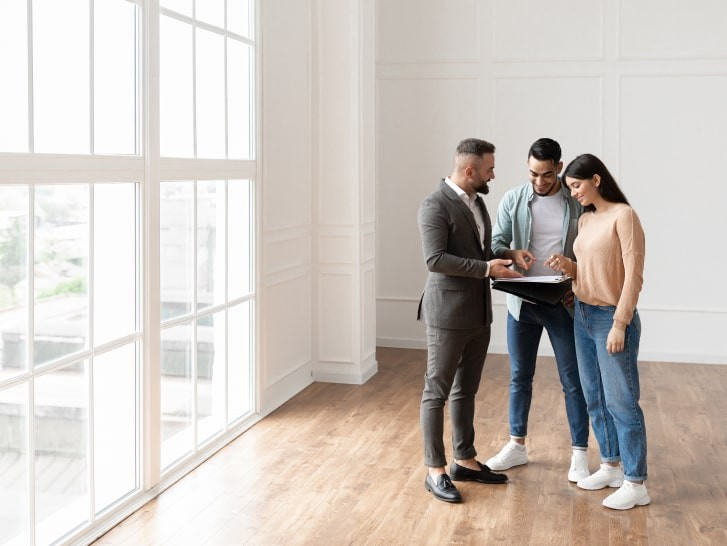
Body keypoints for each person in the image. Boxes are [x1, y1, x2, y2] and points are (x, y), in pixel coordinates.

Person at [417, 138, 521, 503]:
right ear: (470, 170)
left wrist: (506, 255)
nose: (494, 174)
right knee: (437, 391)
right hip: (446, 314)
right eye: (490, 168)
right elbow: (436, 260)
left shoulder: (478, 202)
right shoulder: (434, 205)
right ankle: (435, 470)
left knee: (467, 390)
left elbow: (481, 251)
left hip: (478, 312)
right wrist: (485, 269)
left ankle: (464, 459)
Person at [546, 153, 649, 510]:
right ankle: (611, 465)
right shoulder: (587, 220)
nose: (573, 193)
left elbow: (633, 275)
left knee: (622, 401)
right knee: (594, 397)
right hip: (582, 315)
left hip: (610, 317)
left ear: (596, 179)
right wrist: (569, 266)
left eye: (576, 185)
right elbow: (592, 268)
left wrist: (620, 323)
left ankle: (636, 483)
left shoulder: (625, 216)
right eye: (570, 188)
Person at [485, 138, 591, 483]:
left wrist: (576, 277)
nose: (540, 182)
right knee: (519, 377)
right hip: (522, 302)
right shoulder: (513, 199)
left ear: (559, 168)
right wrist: (514, 253)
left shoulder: (577, 203)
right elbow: (496, 243)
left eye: (546, 175)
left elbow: (593, 252)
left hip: (562, 303)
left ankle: (579, 453)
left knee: (573, 381)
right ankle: (517, 445)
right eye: (533, 175)